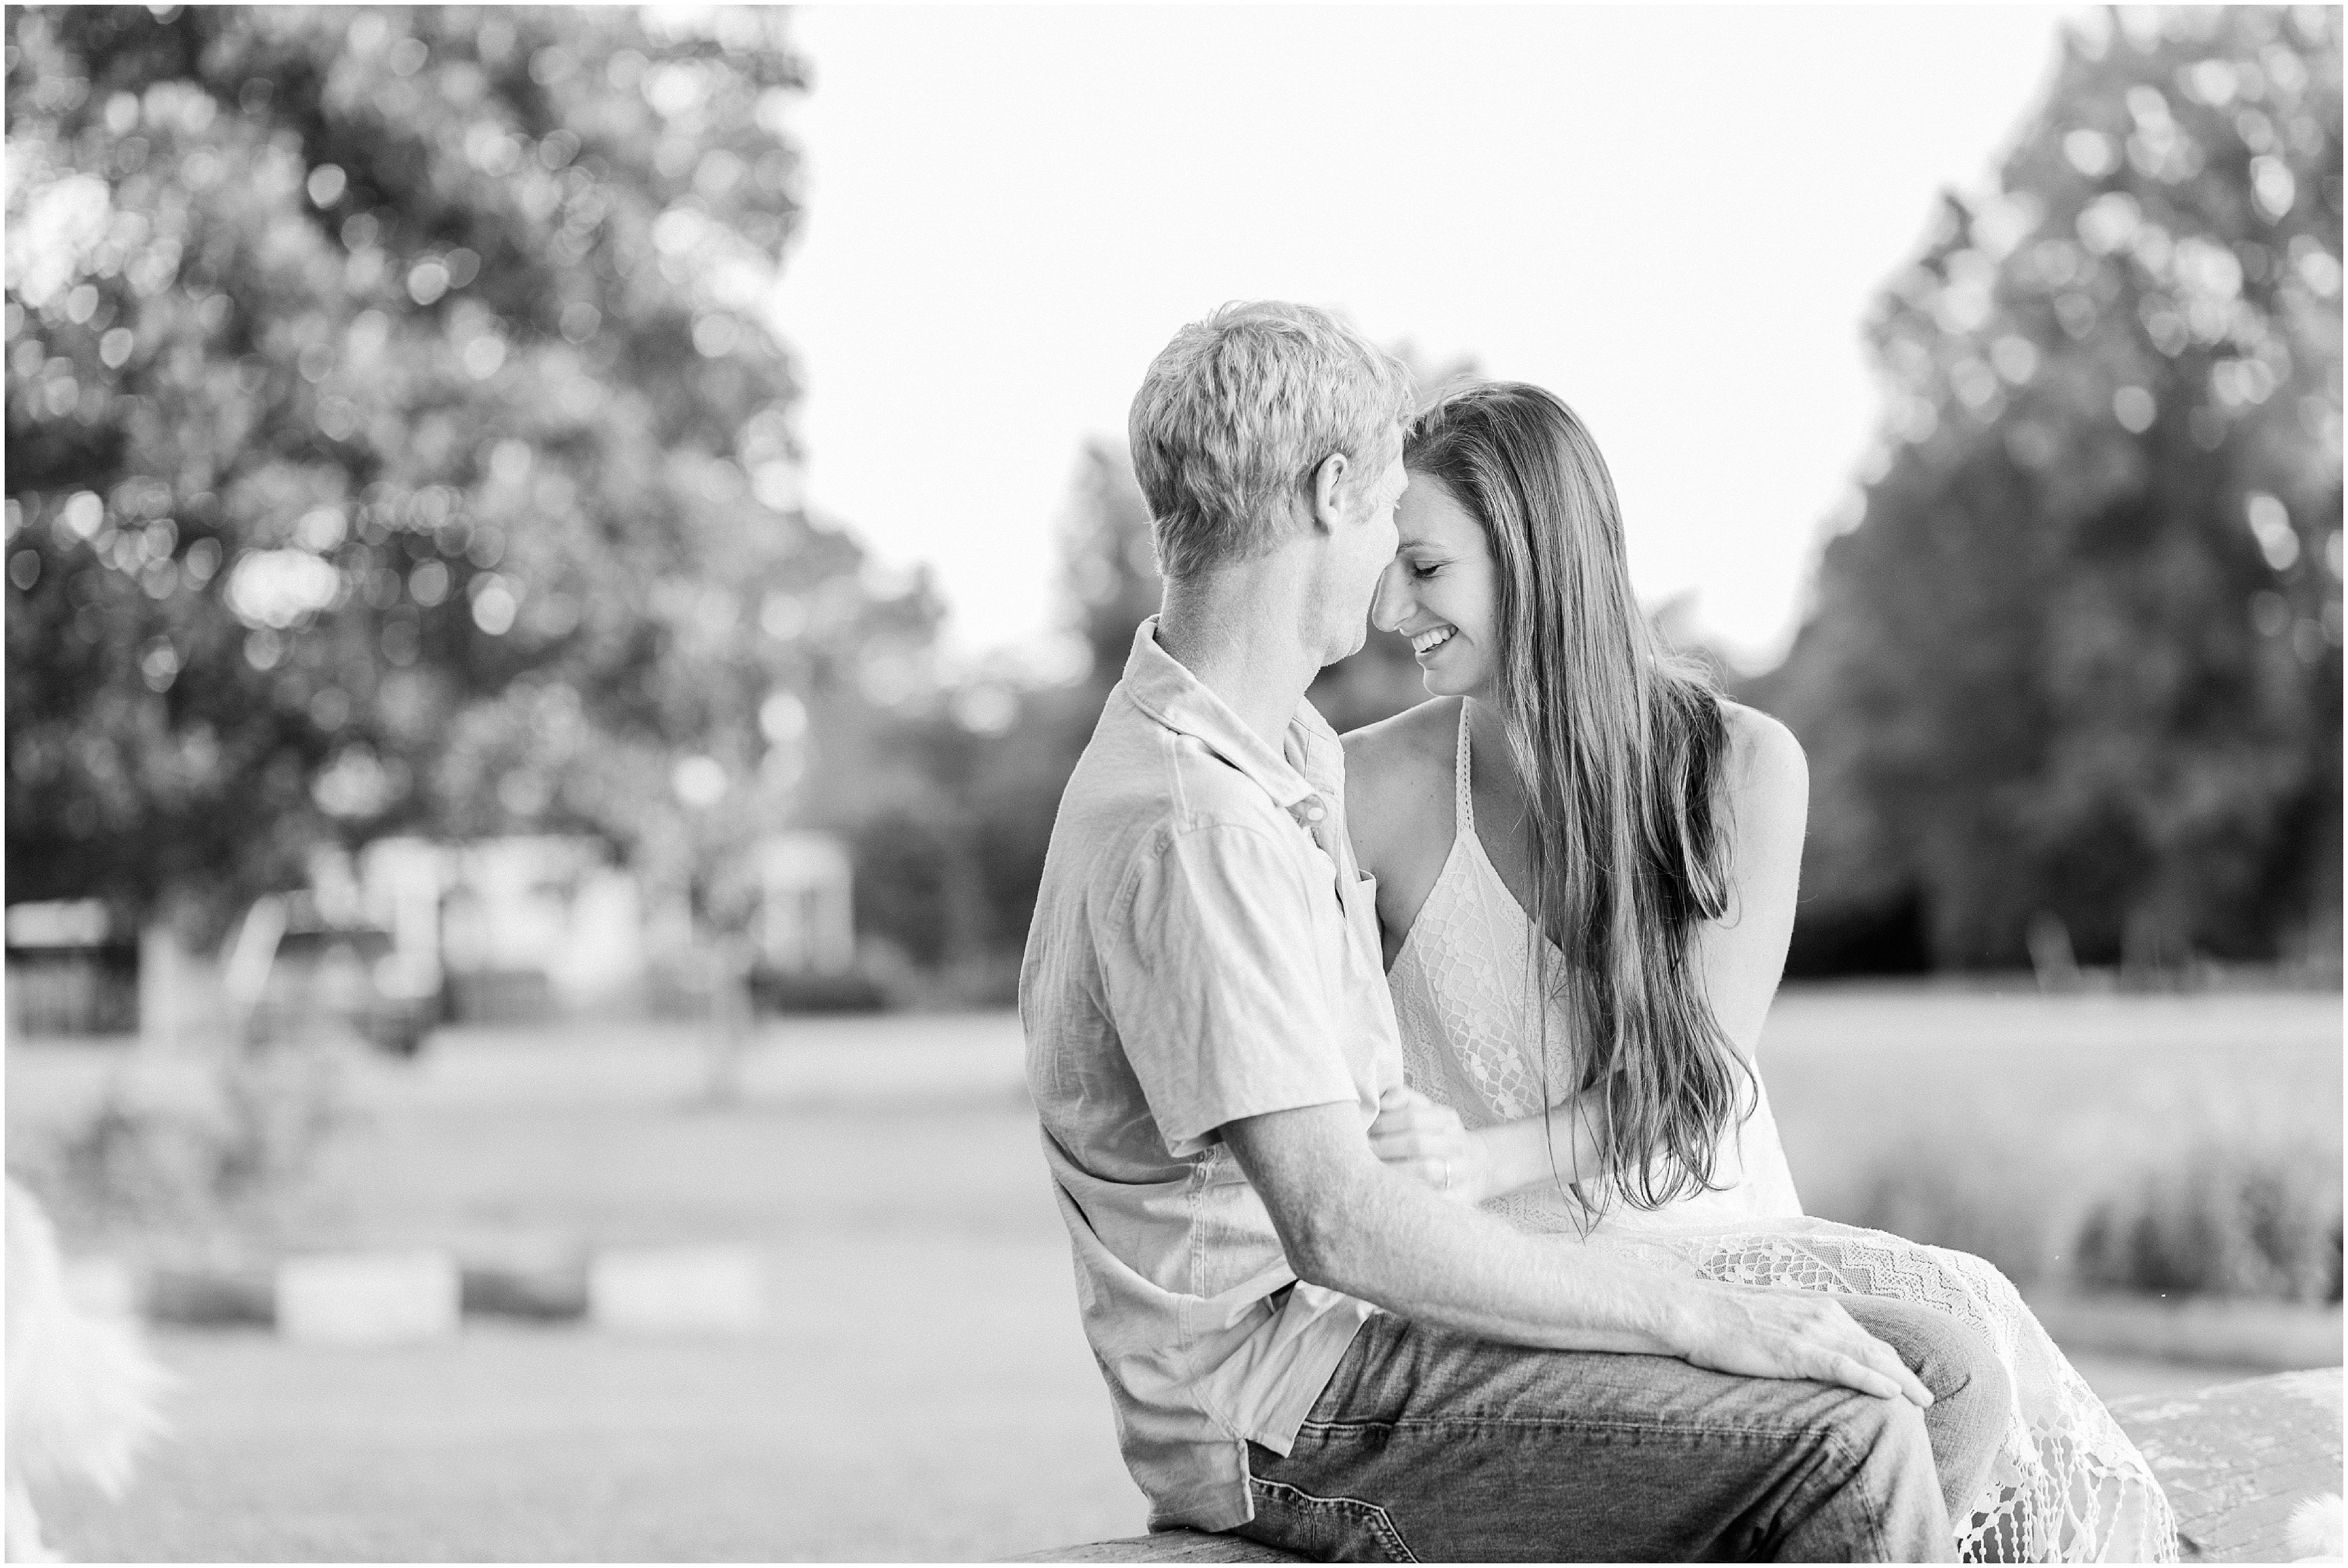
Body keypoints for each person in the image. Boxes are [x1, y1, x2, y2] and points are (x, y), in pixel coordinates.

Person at [1022, 300, 2013, 1562]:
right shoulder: (1200, 822)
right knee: (1854, 1438)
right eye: (1390, 516)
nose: (1389, 586)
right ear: (1336, 493)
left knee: (1947, 1377)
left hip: (1357, 1340)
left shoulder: (1269, 762)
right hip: (1293, 1404)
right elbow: (1340, 1222)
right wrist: (1678, 1307)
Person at [1343, 379, 2174, 1562]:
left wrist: (1476, 1160)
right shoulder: (1364, 786)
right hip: (1521, 1295)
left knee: (1952, 1371)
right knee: (1919, 1388)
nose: (1387, 608)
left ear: (1534, 558)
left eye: (1422, 569)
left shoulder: (1741, 768)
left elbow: (1686, 1091)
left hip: (1713, 1243)